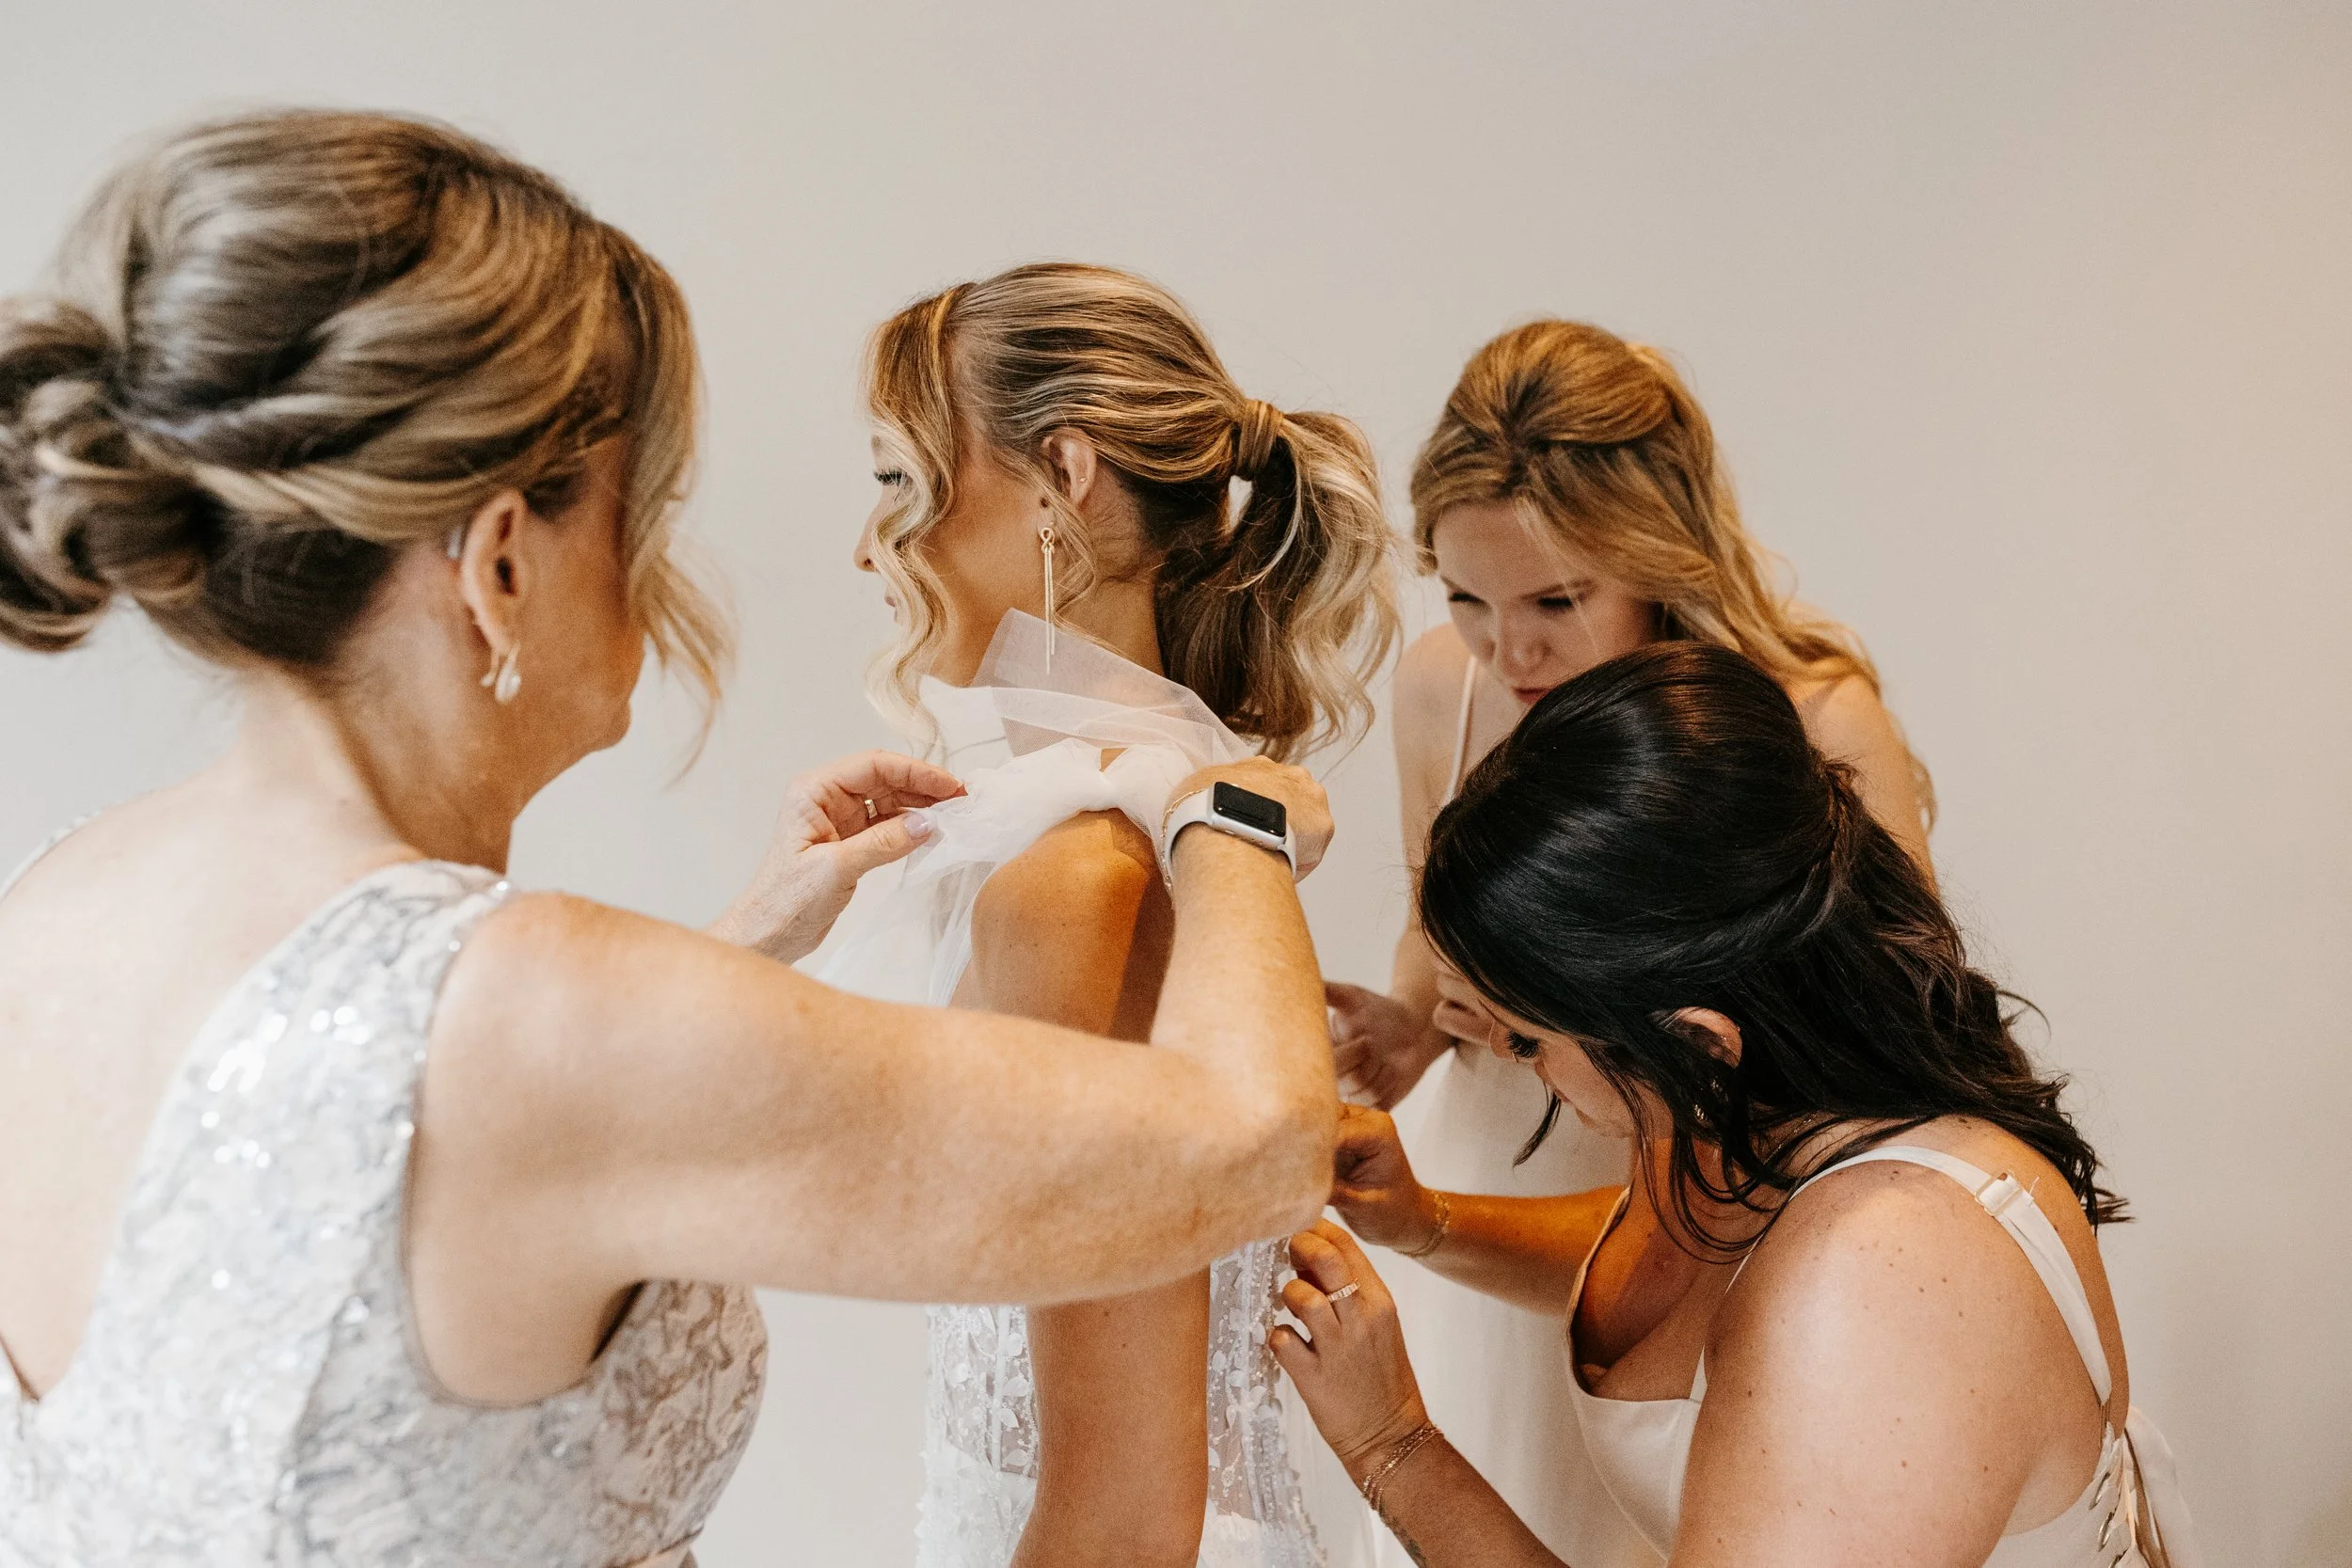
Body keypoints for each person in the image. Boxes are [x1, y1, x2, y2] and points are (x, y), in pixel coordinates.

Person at [0, 115, 1344, 1567]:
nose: (661, 575)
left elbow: (370, 1181)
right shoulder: (544, 1010)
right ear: (501, 562)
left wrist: (747, 938)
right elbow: (1256, 1151)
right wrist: (1235, 809)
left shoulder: (54, 898)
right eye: (637, 512)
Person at [1277, 643, 2199, 1568]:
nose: (1523, 1065)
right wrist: (1423, 1219)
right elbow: (1674, 1262)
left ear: (1695, 1042)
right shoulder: (1753, 1107)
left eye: (1526, 1041)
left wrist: (1391, 1440)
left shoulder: (1873, 1285)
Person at [1321, 319, 1935, 1568]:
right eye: (1466, 598)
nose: (1512, 650)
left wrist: (1607, 1019)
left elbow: (1901, 1047)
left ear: (1657, 556)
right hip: (1489, 1171)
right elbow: (1431, 944)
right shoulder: (1444, 687)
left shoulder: (1811, 717)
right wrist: (1411, 1029)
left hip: (1709, 1195)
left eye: (1558, 599)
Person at [822, 261, 1396, 1568]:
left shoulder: (1089, 870)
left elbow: (1125, 1505)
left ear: (1062, 477)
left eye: (899, 480)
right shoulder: (1142, 808)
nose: (869, 545)